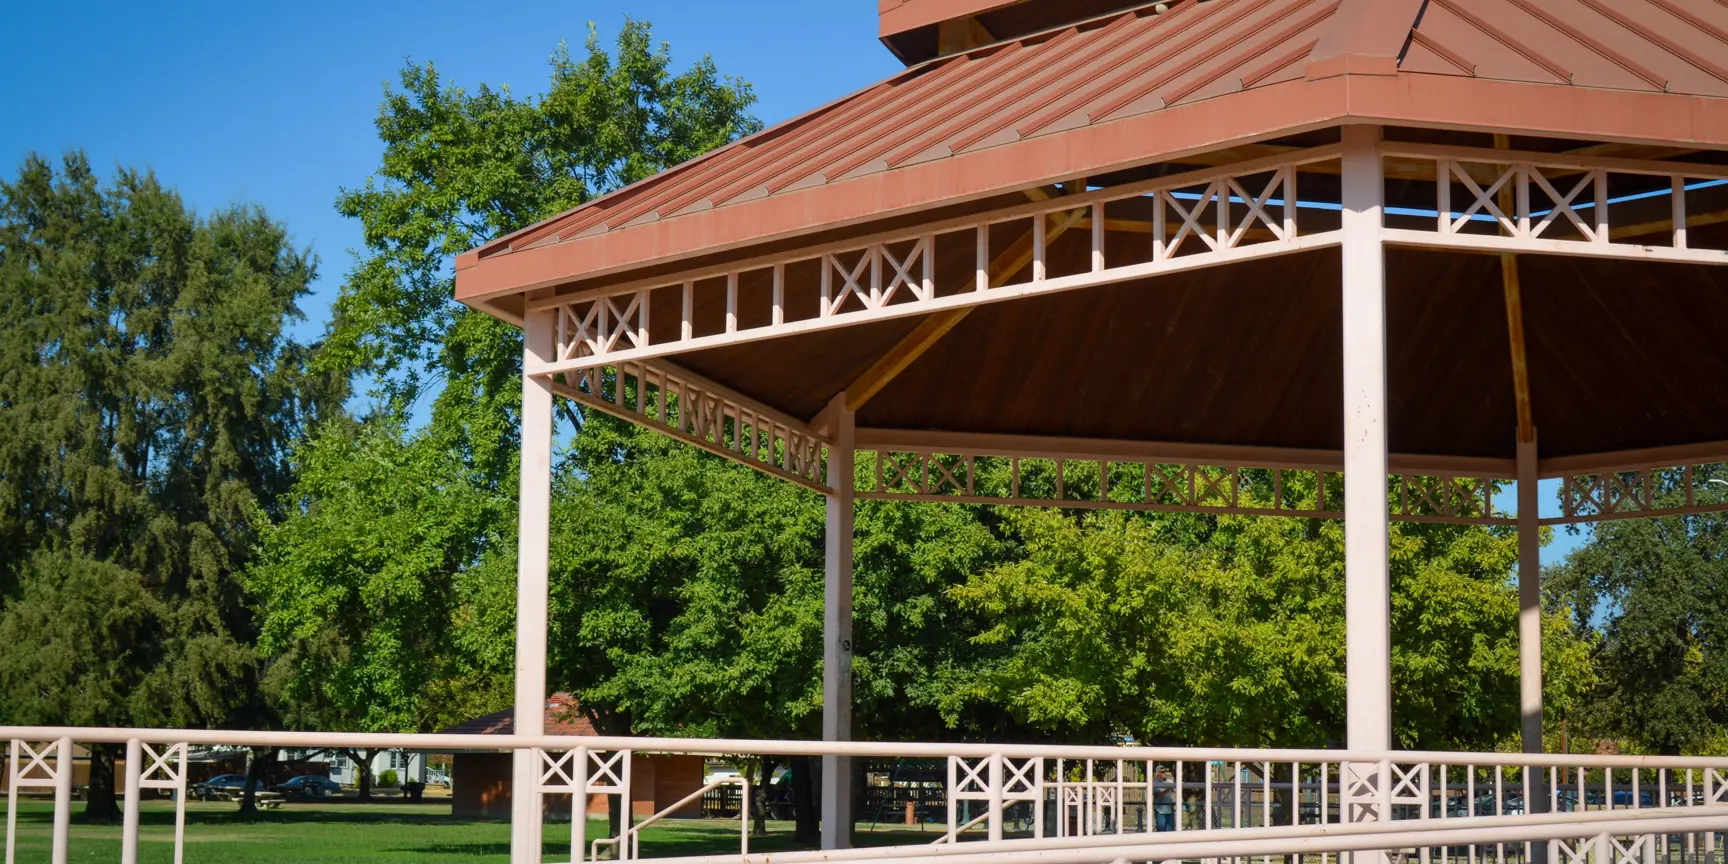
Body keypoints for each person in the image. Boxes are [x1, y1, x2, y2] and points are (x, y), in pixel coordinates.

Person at [1153, 766, 1177, 832]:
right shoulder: (1155, 783)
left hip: (1169, 810)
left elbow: (1175, 790)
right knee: (1161, 830)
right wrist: (1169, 788)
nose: (1164, 773)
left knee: (1169, 831)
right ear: (1158, 773)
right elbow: (1159, 795)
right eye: (1162, 772)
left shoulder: (1169, 781)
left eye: (1164, 771)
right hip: (1160, 811)